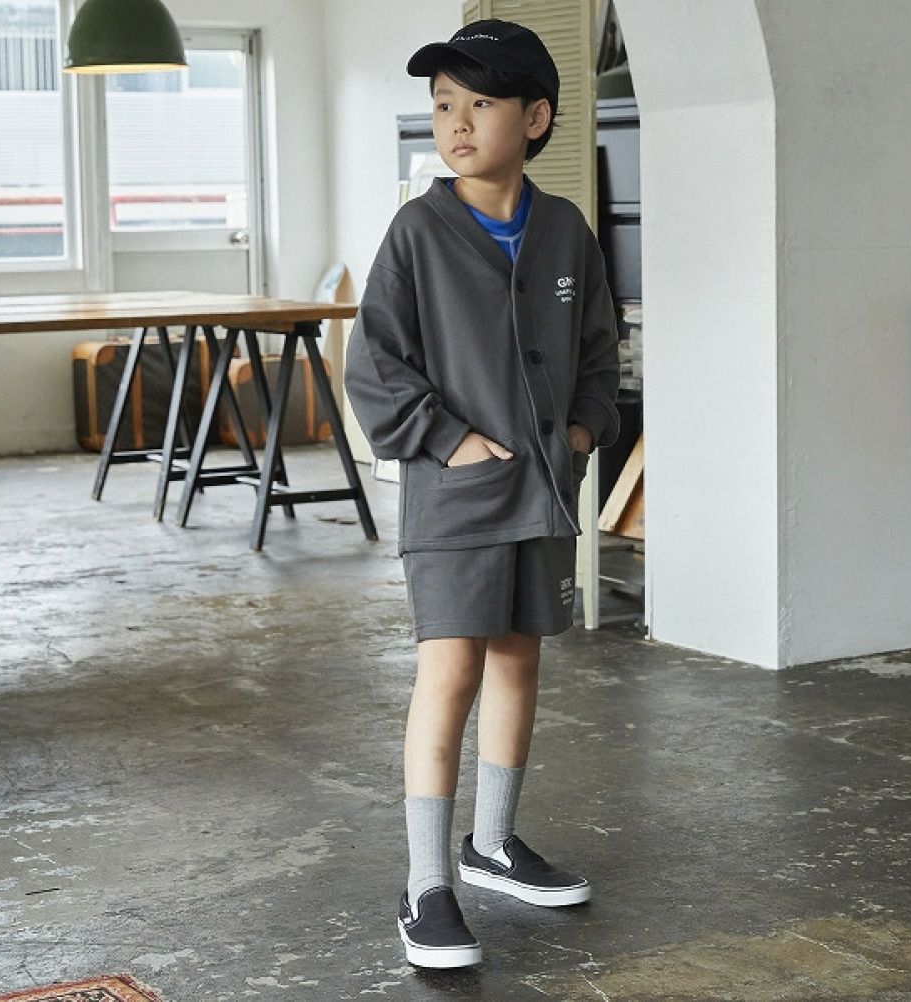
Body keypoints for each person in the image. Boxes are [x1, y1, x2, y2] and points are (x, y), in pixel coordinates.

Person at [344, 18, 620, 970]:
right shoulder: (418, 232)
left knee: (517, 661)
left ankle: (494, 844)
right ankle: (427, 885)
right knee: (450, 670)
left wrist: (582, 433)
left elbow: (598, 352)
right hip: (455, 499)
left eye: (481, 103)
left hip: (544, 494)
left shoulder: (566, 230)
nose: (456, 123)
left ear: (535, 119)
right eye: (442, 105)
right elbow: (375, 363)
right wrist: (450, 442)